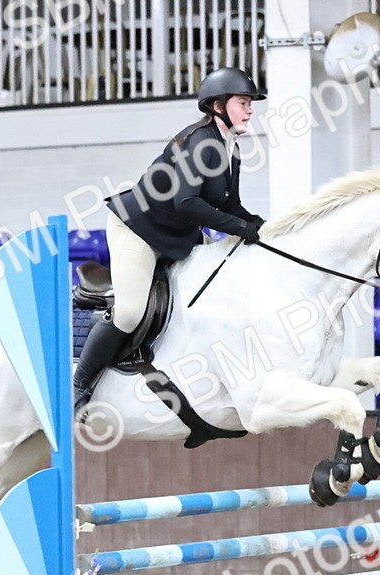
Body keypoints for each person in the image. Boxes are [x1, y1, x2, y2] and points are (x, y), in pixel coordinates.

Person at [72, 67, 267, 409]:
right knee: (129, 312)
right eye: (243, 102)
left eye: (250, 103)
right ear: (218, 106)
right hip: (139, 230)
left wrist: (257, 225)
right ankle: (78, 386)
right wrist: (238, 227)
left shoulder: (230, 148)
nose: (250, 110)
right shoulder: (200, 143)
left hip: (178, 234)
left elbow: (228, 204)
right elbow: (186, 202)